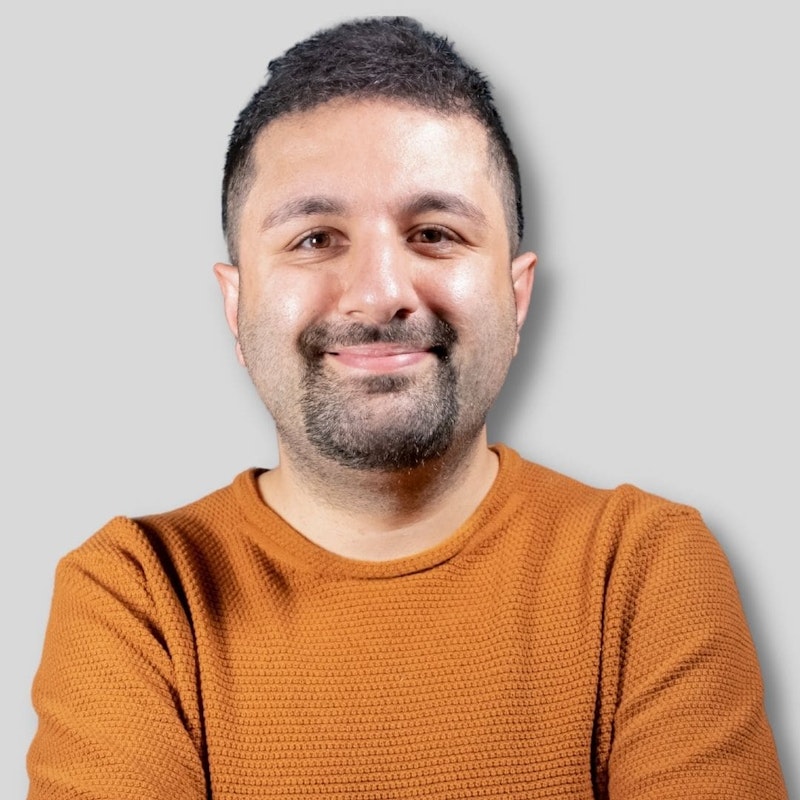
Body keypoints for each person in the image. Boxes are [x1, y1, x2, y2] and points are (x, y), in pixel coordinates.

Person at [26, 15, 787, 800]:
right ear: (236, 302)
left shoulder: (644, 567)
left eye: (433, 232)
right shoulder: (140, 592)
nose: (380, 293)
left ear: (516, 295)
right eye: (316, 239)